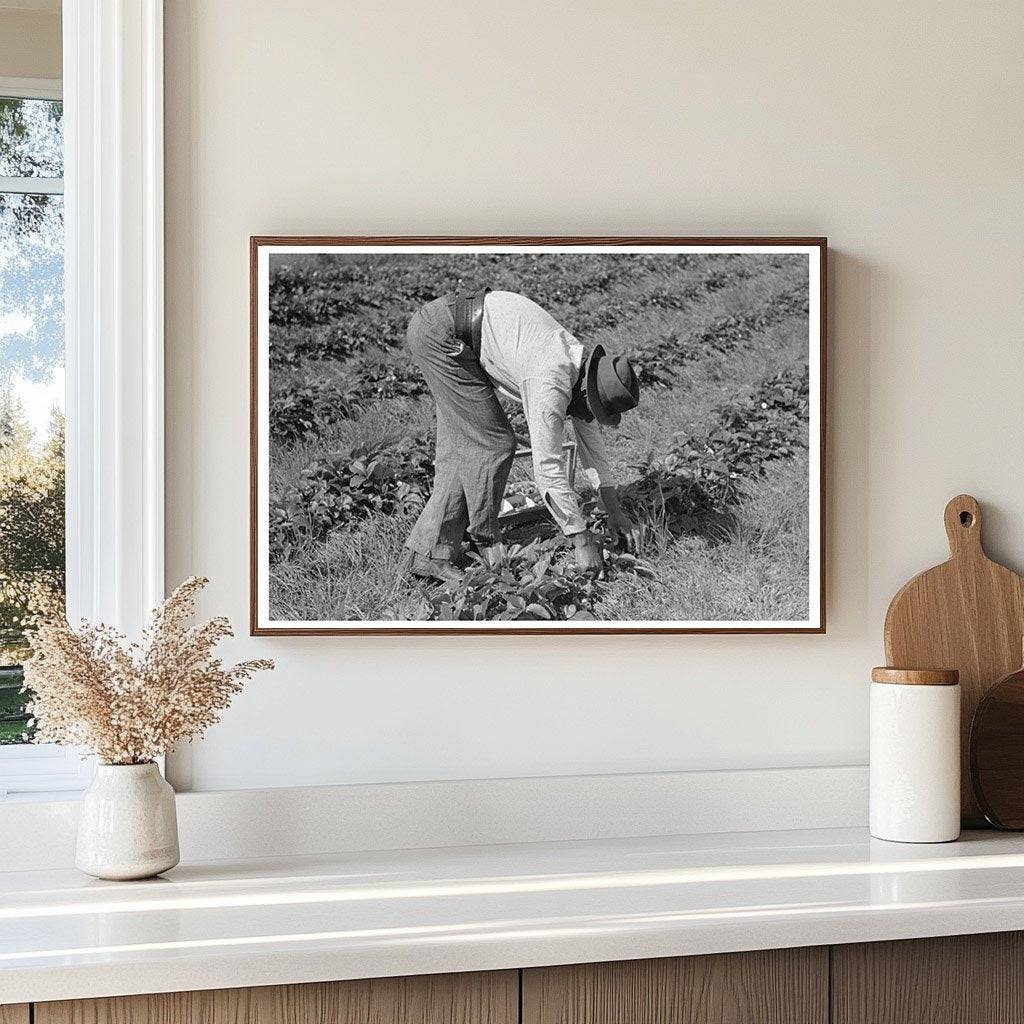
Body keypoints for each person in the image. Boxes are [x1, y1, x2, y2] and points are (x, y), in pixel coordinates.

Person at [403, 288, 641, 582]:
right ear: (586, 391)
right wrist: (581, 539)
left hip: (450, 326)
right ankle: (487, 545)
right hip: (443, 336)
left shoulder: (580, 369)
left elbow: (593, 448)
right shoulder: (551, 379)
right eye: (592, 409)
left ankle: (430, 553)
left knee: (463, 444)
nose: (588, 417)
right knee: (493, 443)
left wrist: (614, 510)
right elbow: (547, 468)